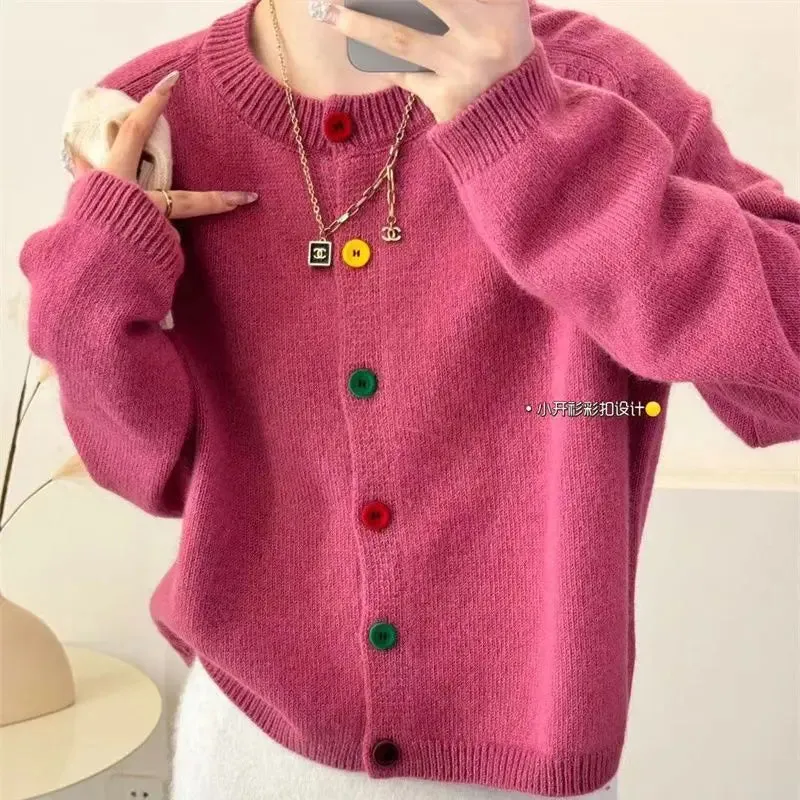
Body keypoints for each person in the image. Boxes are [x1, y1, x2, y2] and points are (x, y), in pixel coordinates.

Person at [19, 1, 800, 799]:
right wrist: (90, 290)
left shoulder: (595, 82)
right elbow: (150, 474)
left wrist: (535, 143)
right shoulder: (159, 113)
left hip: (527, 772)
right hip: (251, 752)